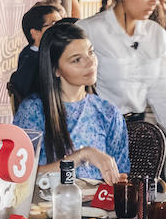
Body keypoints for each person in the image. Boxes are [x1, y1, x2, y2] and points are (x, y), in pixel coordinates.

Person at [76, 0, 166, 155]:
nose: (154, 0)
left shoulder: (156, 35)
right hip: (96, 133)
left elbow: (159, 90)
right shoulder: (89, 31)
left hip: (139, 133)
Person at [13, 23, 129, 183]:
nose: (90, 63)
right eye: (76, 60)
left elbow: (121, 174)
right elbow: (19, 173)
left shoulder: (108, 112)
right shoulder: (33, 110)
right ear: (56, 70)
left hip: (97, 207)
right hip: (45, 205)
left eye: (91, 52)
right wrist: (82, 155)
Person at [9, 0, 64, 100]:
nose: (61, 29)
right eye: (54, 24)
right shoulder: (30, 60)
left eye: (61, 23)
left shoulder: (40, 53)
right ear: (35, 33)